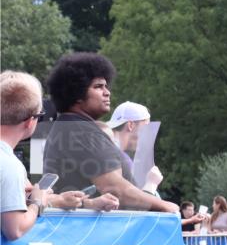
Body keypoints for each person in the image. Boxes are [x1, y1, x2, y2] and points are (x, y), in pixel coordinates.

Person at [42, 53, 178, 214]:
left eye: (106, 86)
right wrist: (165, 206)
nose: (107, 92)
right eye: (98, 87)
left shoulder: (70, 127)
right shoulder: (80, 130)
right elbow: (115, 189)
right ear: (77, 93)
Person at [2, 71, 118, 241]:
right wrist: (36, 204)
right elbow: (15, 229)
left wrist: (86, 203)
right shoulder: (9, 166)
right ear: (30, 121)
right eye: (40, 116)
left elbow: (21, 200)